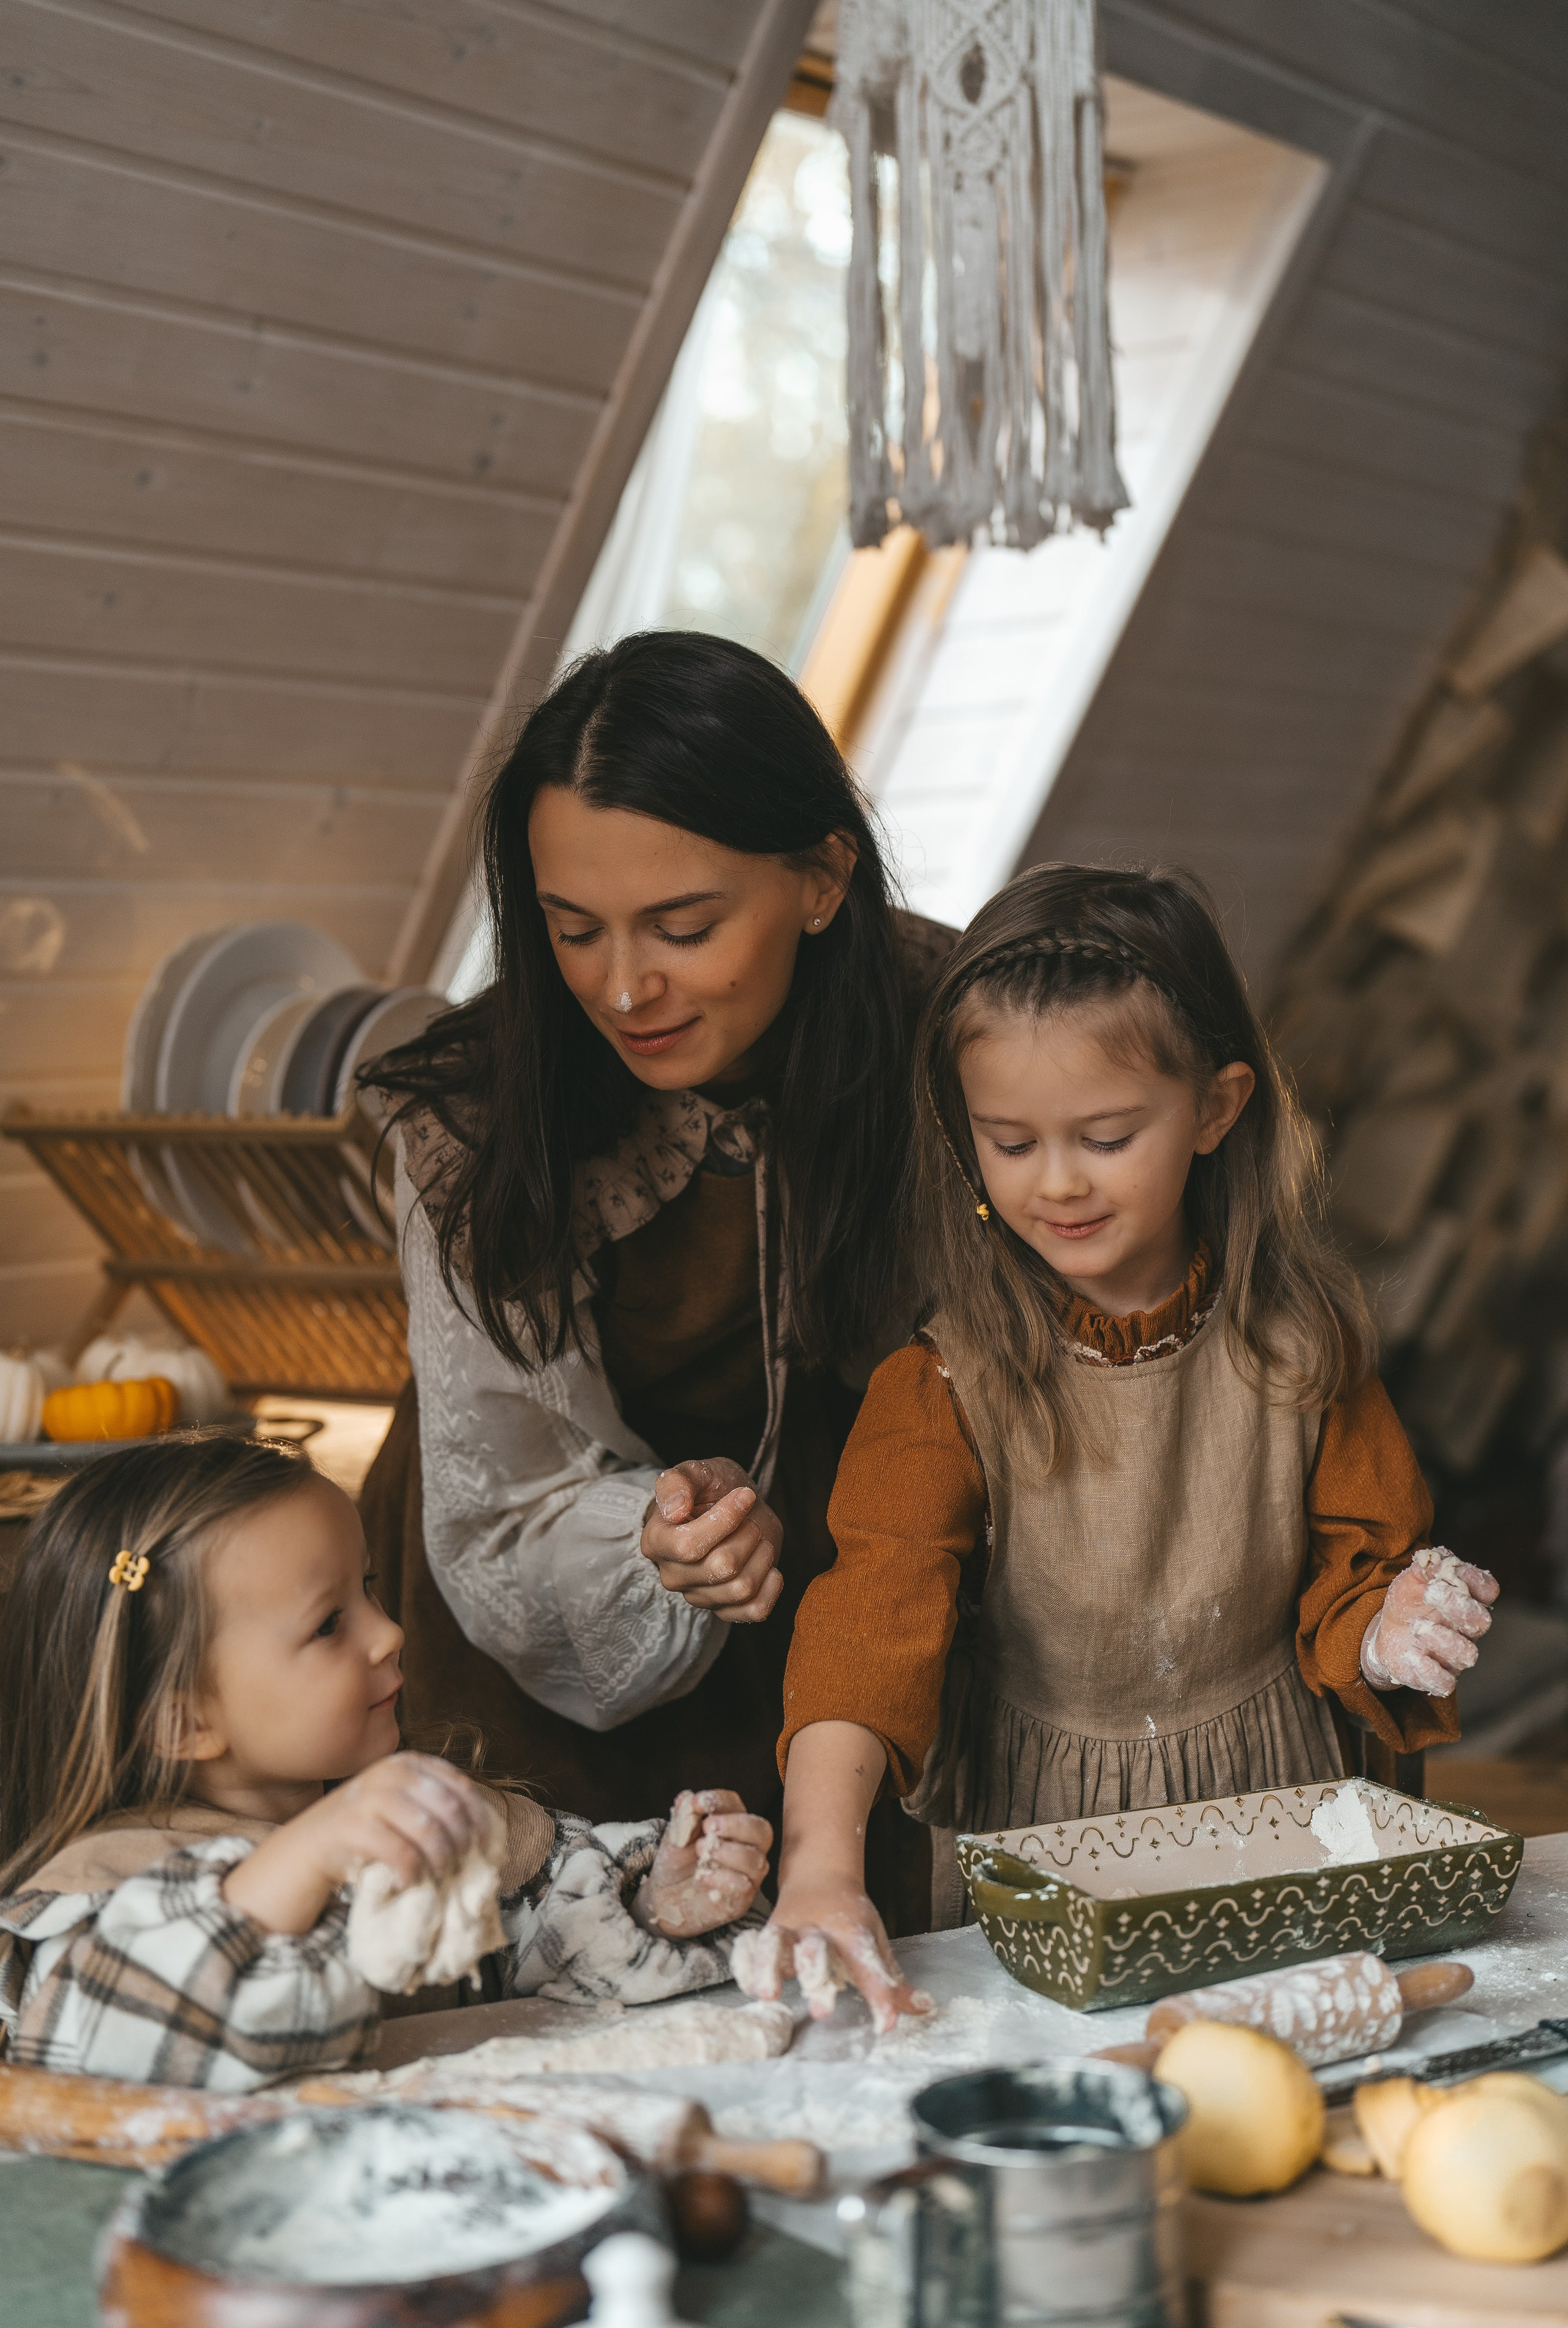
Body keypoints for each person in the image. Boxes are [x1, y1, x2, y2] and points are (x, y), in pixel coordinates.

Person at [742, 865, 1499, 2030]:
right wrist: (821, 1866)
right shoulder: (942, 1387)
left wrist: (1390, 1627)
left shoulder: (1302, 1352)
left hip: (1279, 1807)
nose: (1056, 1183)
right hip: (1047, 1836)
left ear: (1216, 1107)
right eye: (1008, 1141)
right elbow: (866, 1634)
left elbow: (1353, 1583)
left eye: (1103, 1136)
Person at [359, 631, 951, 1930]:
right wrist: (647, 1544)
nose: (624, 988)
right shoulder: (470, 1111)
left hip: (858, 1591)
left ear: (820, 876)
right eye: (573, 931)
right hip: (545, 1606)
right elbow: (505, 1489)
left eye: (683, 928)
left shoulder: (956, 1028)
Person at [0, 1436, 771, 2087]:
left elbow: (546, 1951)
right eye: (330, 1623)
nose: (389, 1632)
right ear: (181, 1718)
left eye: (367, 1587)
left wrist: (652, 1906)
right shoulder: (104, 1887)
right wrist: (301, 1860)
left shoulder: (416, 1817)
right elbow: (102, 2042)